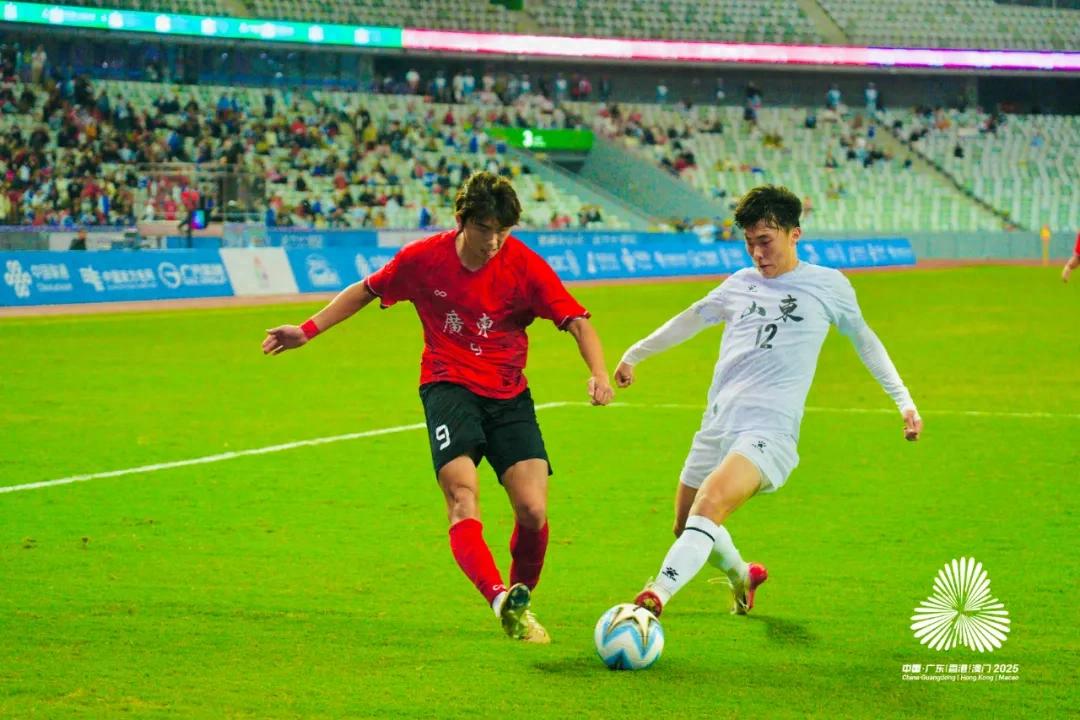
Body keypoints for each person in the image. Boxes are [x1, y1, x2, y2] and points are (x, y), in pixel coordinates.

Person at [261, 172, 615, 643]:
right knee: (462, 496)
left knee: (532, 510)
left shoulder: (524, 265)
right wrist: (306, 330)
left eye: (503, 230)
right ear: (462, 220)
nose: (494, 241)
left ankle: (520, 600)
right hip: (448, 386)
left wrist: (599, 373)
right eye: (486, 228)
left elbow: (577, 321)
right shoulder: (424, 259)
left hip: (509, 394)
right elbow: (365, 289)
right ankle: (495, 596)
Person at [615, 184, 922, 619]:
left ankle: (653, 598)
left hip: (769, 429)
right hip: (718, 422)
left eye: (766, 241)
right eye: (749, 243)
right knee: (686, 525)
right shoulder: (739, 284)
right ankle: (743, 574)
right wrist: (635, 354)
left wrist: (904, 401)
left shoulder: (828, 285)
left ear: (794, 234)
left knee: (709, 505)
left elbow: (866, 341)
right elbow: (691, 319)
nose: (757, 253)